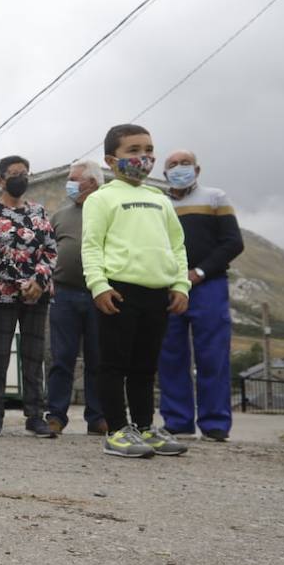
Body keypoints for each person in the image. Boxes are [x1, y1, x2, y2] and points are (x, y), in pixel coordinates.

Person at [81, 124, 190, 458]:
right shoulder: (101, 199)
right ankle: (117, 430)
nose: (144, 157)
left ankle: (145, 427)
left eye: (148, 149)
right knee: (114, 365)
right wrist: (99, 285)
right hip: (119, 292)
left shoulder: (160, 199)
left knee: (145, 366)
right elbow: (91, 246)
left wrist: (180, 284)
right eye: (133, 151)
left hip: (157, 292)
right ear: (111, 160)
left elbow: (178, 245)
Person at [158, 149, 244, 442]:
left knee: (213, 355)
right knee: (170, 354)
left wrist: (199, 273)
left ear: (197, 169)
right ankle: (178, 421)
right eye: (172, 165)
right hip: (168, 287)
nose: (179, 168)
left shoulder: (215, 197)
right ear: (164, 173)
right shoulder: (160, 203)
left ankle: (215, 422)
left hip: (209, 285)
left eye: (185, 163)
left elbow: (233, 242)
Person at [0, 156, 57, 439]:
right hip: (0, 293)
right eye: (13, 174)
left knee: (34, 357)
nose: (20, 178)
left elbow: (49, 249)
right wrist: (23, 281)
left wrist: (38, 280)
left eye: (24, 173)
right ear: (0, 180)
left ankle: (35, 415)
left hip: (38, 294)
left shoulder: (39, 212)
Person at [44, 160, 107, 436]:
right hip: (64, 294)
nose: (68, 184)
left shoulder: (108, 210)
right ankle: (56, 415)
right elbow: (46, 251)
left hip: (99, 295)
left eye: (74, 179)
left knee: (99, 358)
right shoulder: (60, 215)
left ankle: (98, 417)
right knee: (61, 358)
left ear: (92, 182)